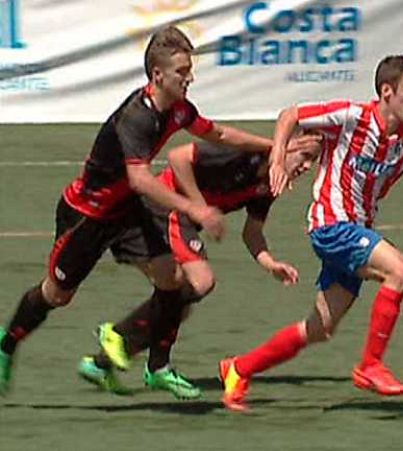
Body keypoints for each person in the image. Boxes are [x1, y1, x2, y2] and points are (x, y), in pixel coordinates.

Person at [0, 25, 290, 396]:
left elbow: (218, 133)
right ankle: (7, 344)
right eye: (182, 72)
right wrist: (196, 209)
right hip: (87, 216)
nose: (190, 78)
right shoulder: (136, 117)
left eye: (190, 70)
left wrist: (274, 149)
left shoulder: (179, 110)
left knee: (173, 279)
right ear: (158, 75)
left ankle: (157, 367)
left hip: (127, 211)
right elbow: (140, 179)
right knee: (57, 295)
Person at [217, 55, 403, 412]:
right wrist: (277, 159)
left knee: (319, 328)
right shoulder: (351, 117)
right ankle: (370, 365)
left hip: (358, 230)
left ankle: (239, 368)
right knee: (400, 270)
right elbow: (289, 115)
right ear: (387, 92)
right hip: (332, 226)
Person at [76, 138, 321, 399]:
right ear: (286, 144)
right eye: (305, 155)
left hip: (182, 218)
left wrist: (270, 263)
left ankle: (104, 363)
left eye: (313, 161)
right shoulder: (239, 153)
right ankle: (128, 344)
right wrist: (198, 207)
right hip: (161, 207)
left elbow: (252, 233)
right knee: (200, 282)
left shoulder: (270, 185)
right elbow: (178, 157)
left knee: (179, 305)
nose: (307, 166)